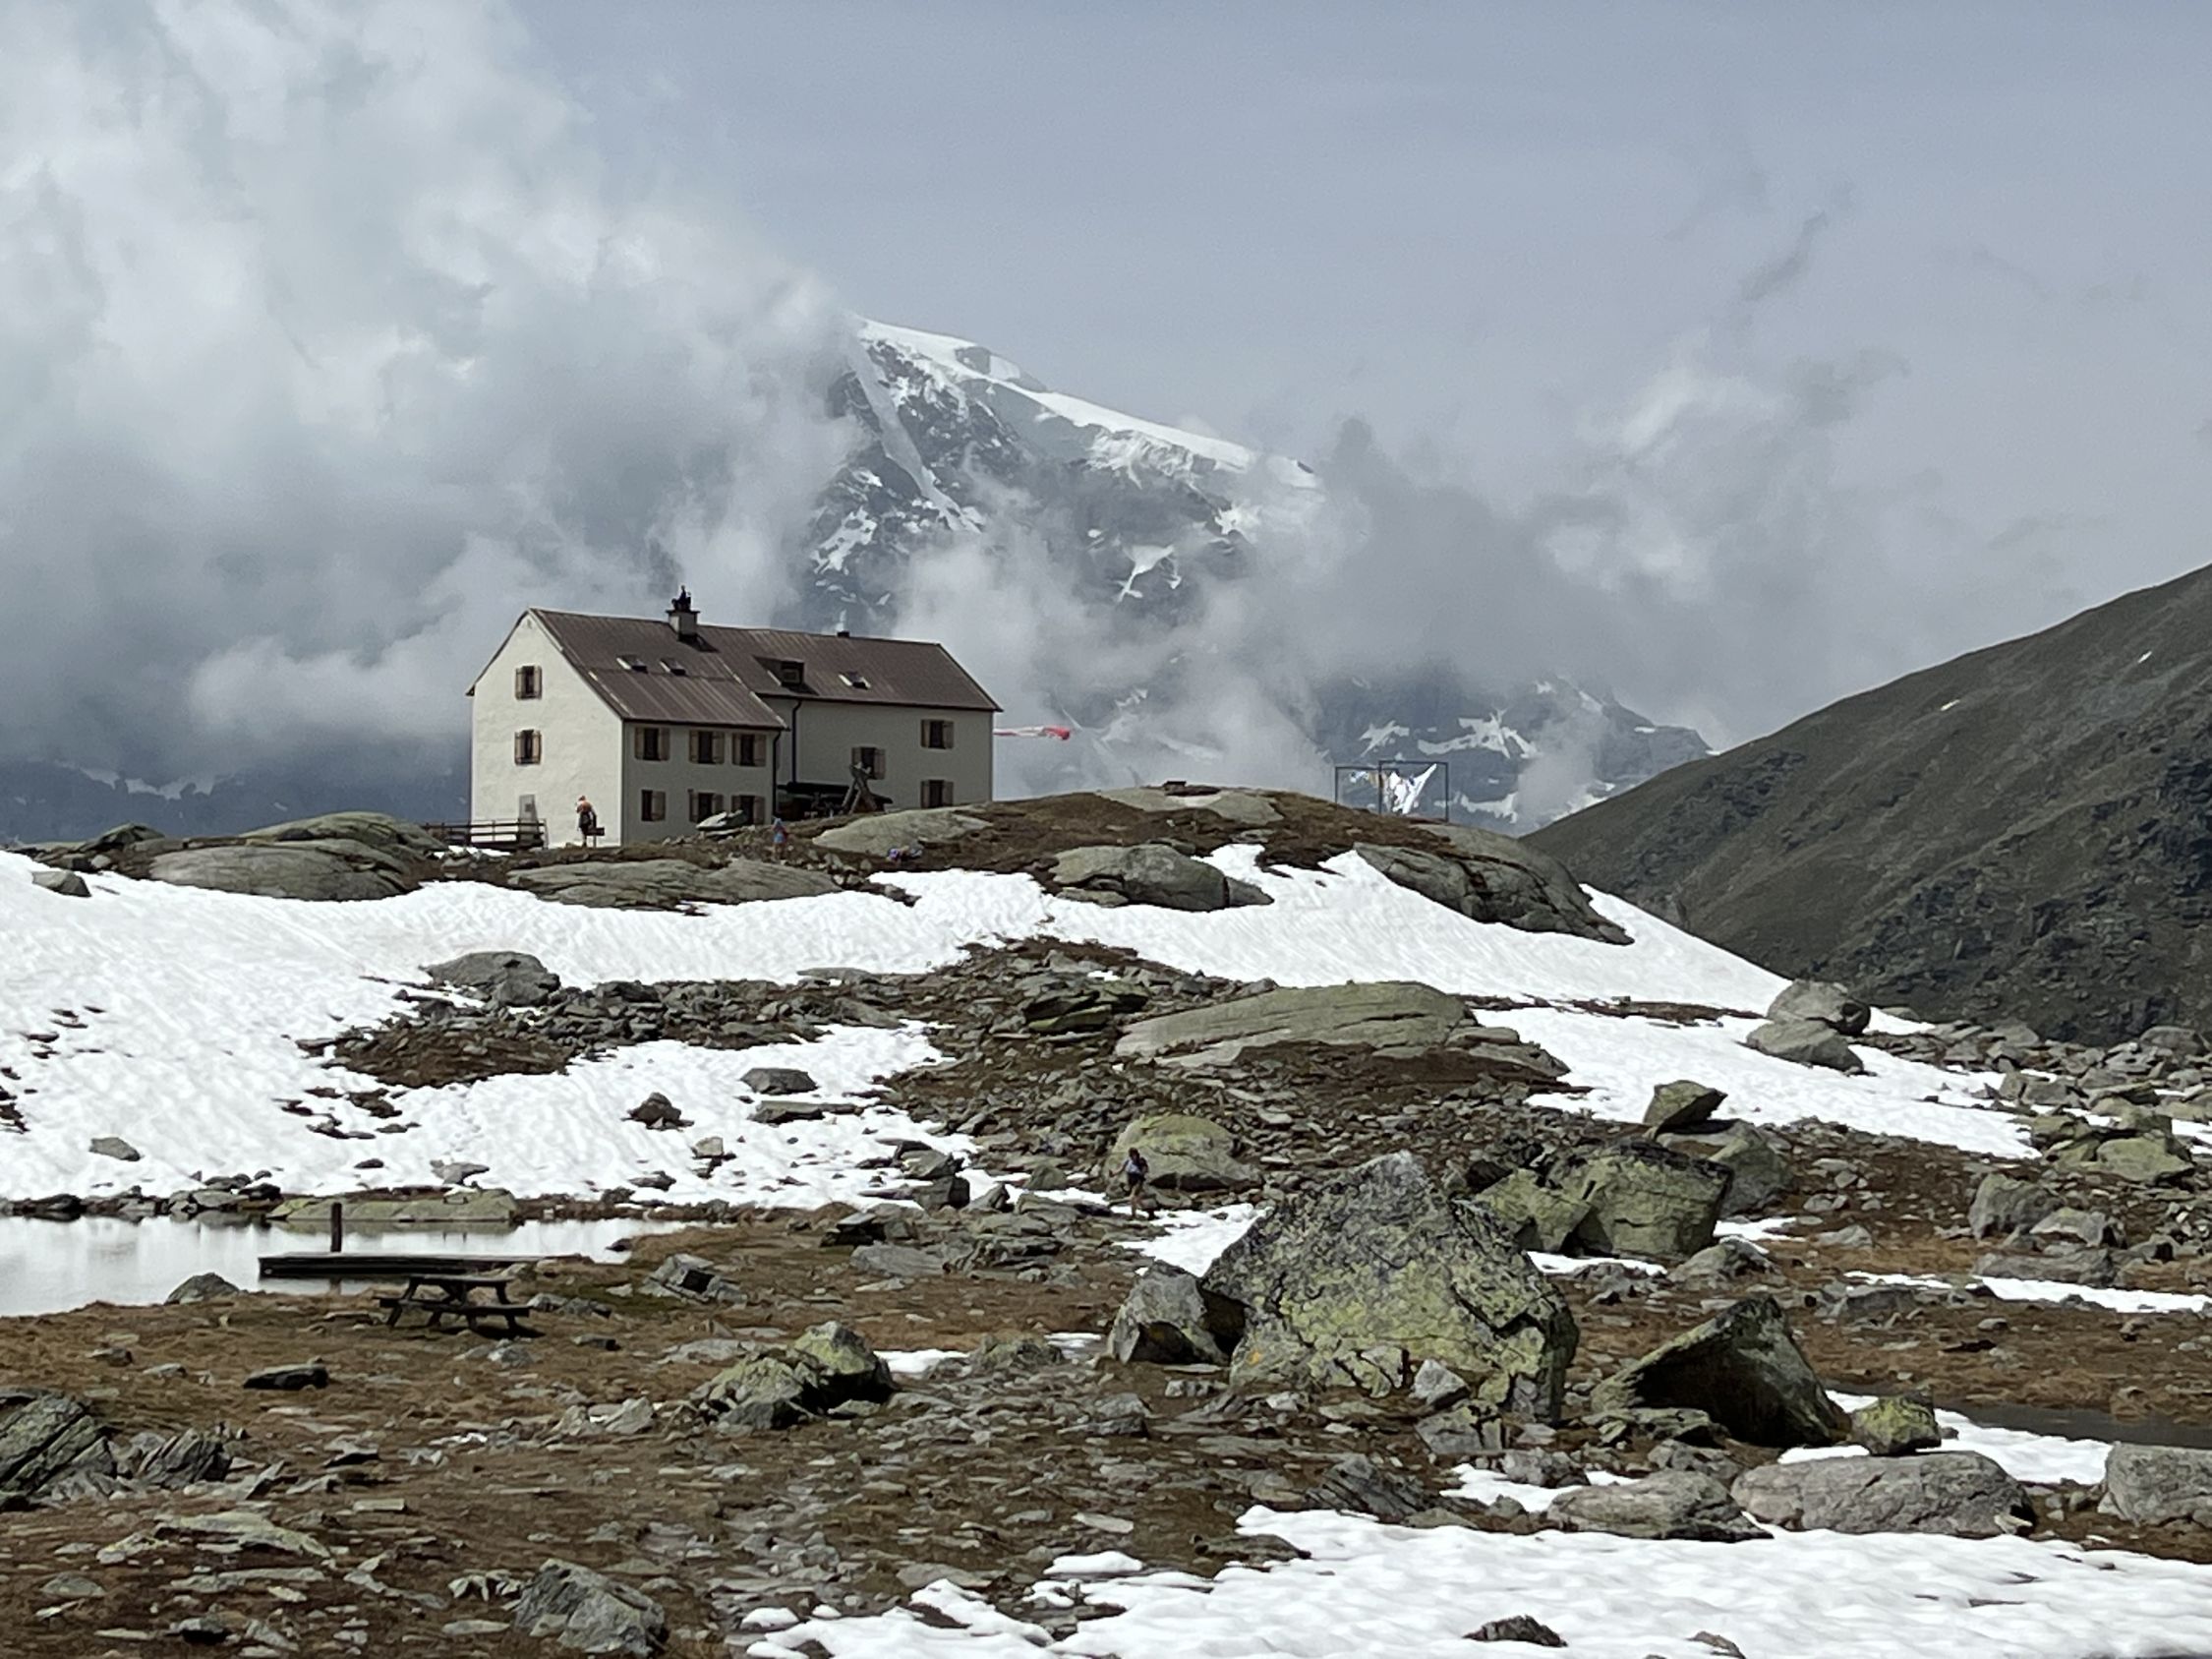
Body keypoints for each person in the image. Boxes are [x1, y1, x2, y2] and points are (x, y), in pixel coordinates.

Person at [1121, 1145, 1149, 1217]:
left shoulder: (1141, 1161)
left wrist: (1141, 1175)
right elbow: (1122, 1169)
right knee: (1137, 1199)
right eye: (1131, 1155)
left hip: (1137, 1180)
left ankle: (1133, 1214)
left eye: (1133, 1155)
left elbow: (1145, 1170)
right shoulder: (1128, 1161)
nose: (1132, 1156)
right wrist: (1113, 1174)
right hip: (1130, 1180)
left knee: (1132, 1197)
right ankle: (1149, 1210)